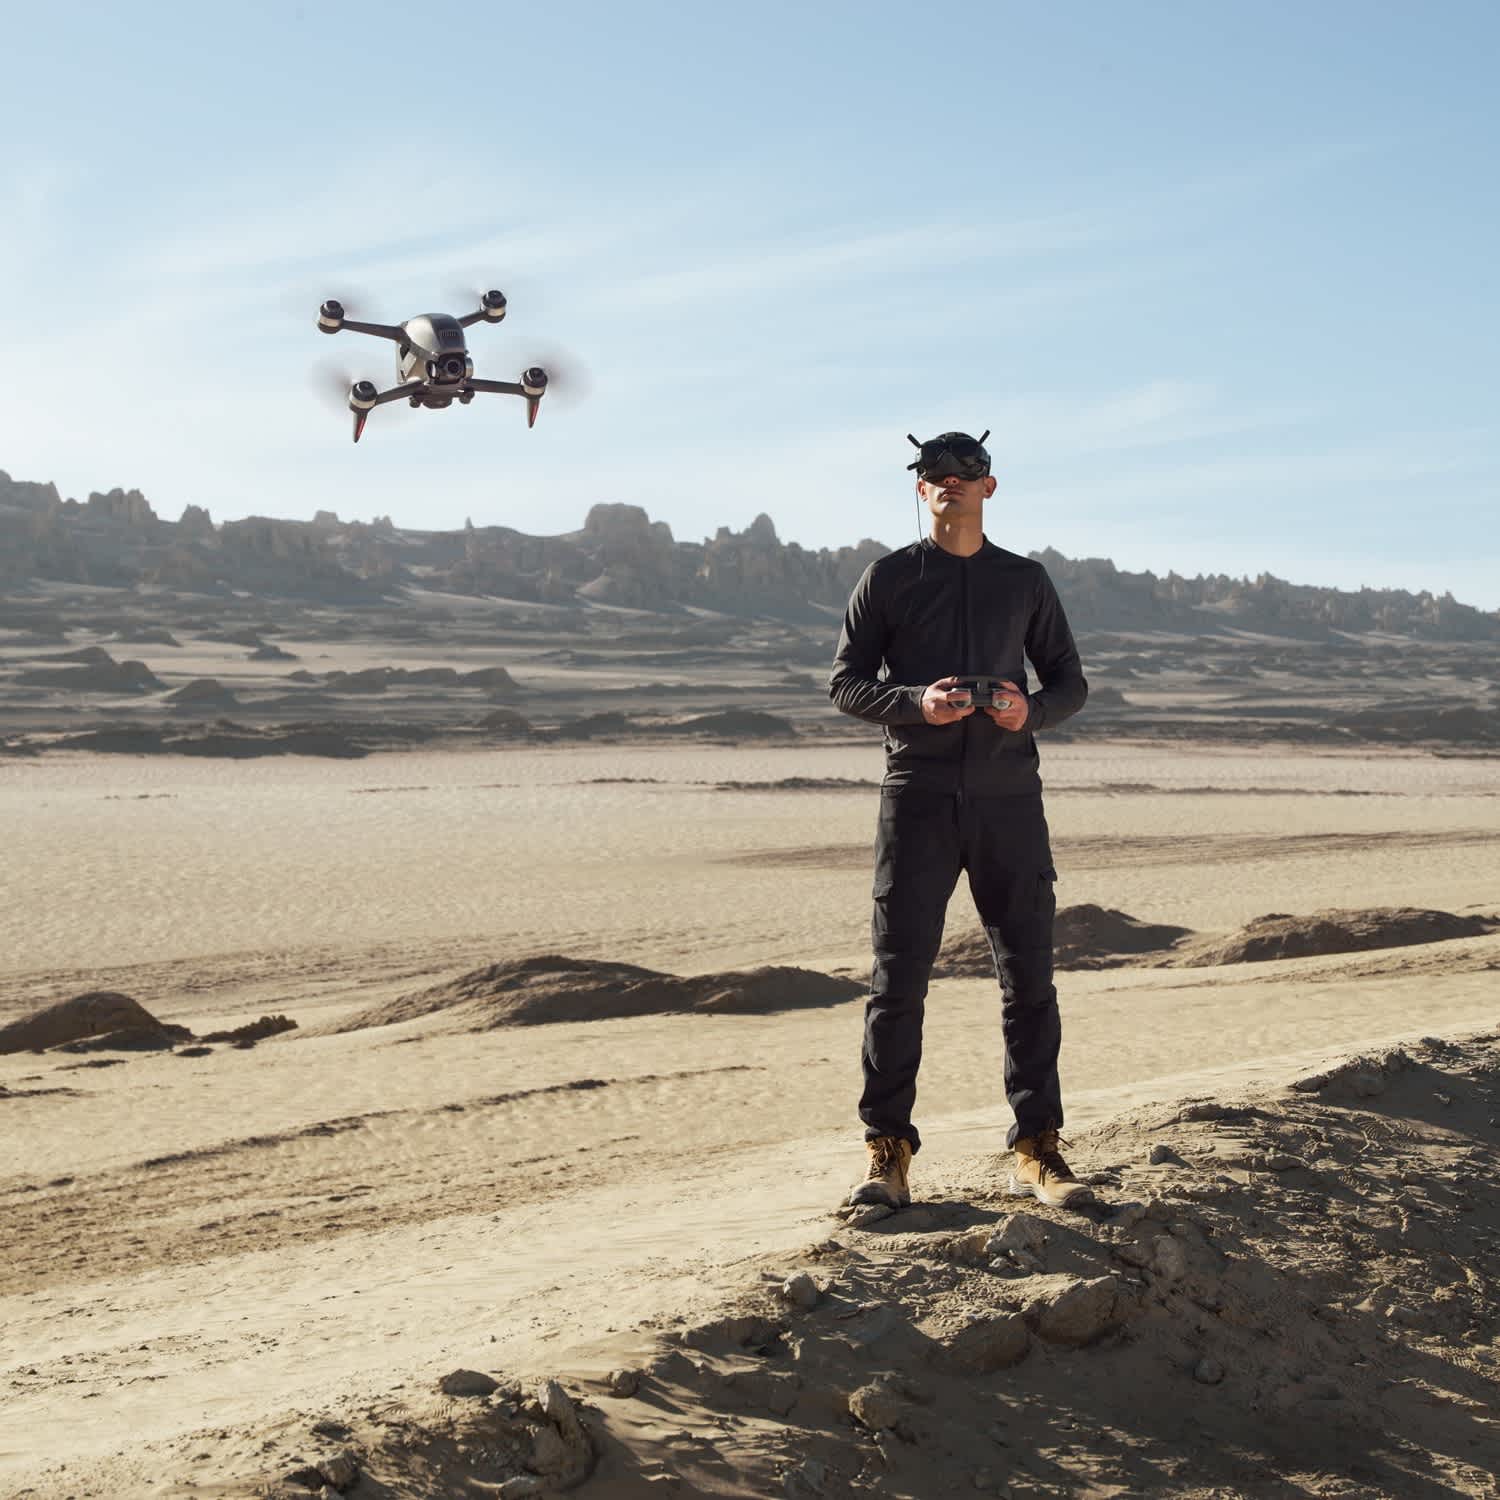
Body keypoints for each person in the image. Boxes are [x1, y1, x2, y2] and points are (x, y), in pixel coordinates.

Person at [828, 430, 1091, 1211]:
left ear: (989, 487)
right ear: (921, 490)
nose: (950, 484)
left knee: (1029, 980)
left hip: (1010, 802)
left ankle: (1037, 1148)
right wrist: (917, 703)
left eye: (964, 474)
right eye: (935, 476)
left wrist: (1028, 711)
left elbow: (1071, 682)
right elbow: (845, 683)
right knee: (897, 980)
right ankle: (888, 1153)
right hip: (917, 797)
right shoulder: (889, 578)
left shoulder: (1025, 580)